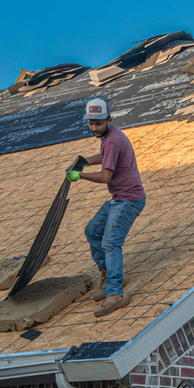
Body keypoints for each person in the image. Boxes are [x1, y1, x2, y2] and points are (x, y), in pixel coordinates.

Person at [67, 97, 145, 317]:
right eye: (91, 123)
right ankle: (108, 273)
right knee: (93, 231)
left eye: (98, 123)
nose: (94, 128)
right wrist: (85, 161)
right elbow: (104, 157)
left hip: (128, 199)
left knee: (110, 243)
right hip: (119, 197)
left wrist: (79, 174)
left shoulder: (111, 139)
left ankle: (116, 293)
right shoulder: (110, 136)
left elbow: (104, 176)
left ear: (109, 120)